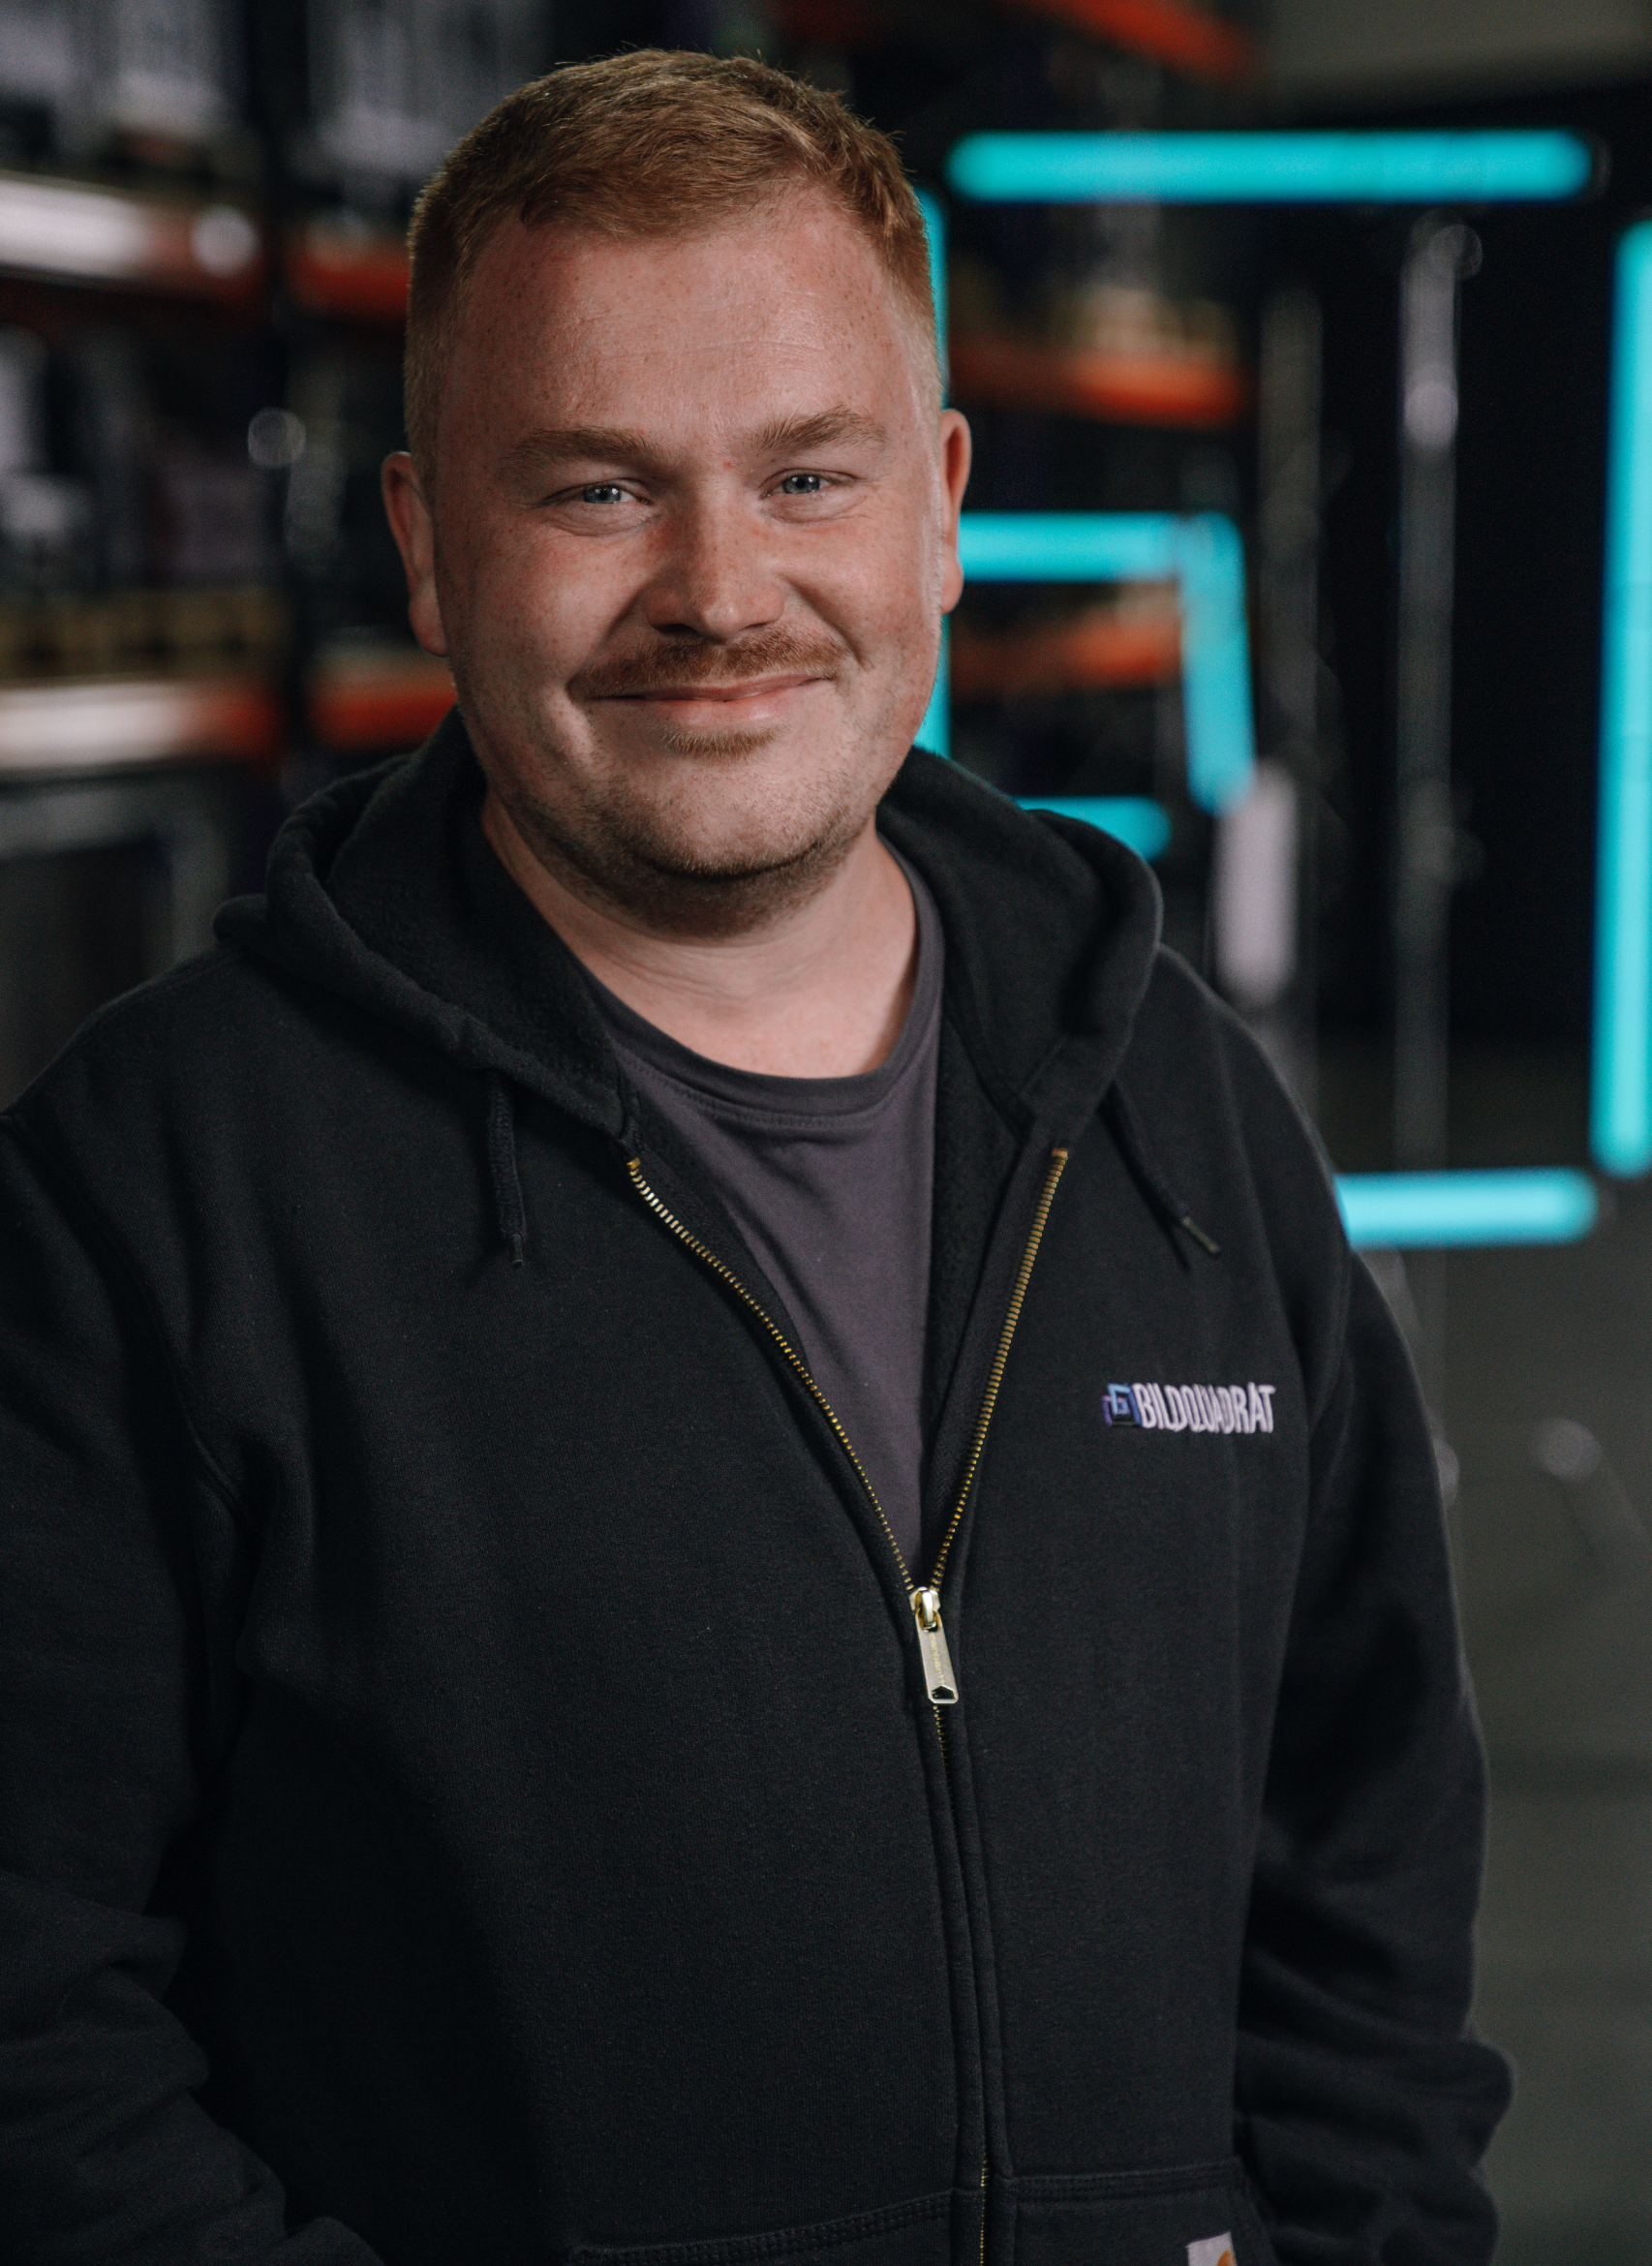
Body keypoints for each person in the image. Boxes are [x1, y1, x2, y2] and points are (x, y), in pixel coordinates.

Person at [0, 48, 1508, 2266]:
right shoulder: (153, 1191)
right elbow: (38, 2026)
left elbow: (1363, 1831)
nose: (720, 590)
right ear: (425, 543)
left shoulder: (1171, 1100)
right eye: (597, 490)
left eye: (807, 474)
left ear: (944, 505)